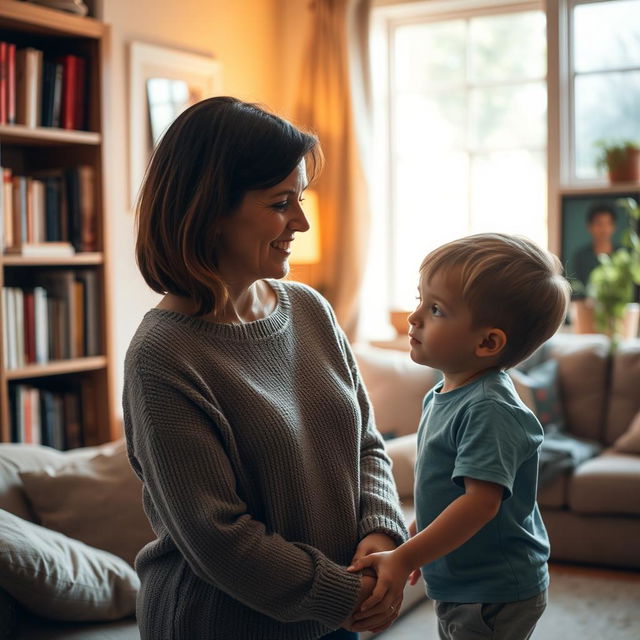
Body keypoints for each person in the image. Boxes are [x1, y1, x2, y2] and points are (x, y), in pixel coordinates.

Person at [122, 96, 408, 640]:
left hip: (331, 612)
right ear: (209, 211)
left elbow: (366, 443)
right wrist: (345, 594)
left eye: (299, 199)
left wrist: (381, 532)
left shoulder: (309, 309)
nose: (300, 221)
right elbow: (218, 536)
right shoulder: (161, 356)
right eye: (281, 203)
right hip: (224, 624)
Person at [348, 233, 571, 640]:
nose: (414, 317)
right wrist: (417, 539)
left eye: (435, 309)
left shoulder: (490, 409)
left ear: (488, 342)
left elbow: (479, 504)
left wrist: (404, 556)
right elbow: (444, 492)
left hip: (494, 590)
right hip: (466, 582)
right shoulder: (445, 393)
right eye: (419, 299)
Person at [569, 202, 619, 298]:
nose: (604, 229)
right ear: (590, 227)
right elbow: (576, 289)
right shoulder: (581, 257)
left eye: (608, 223)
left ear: (613, 227)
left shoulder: (622, 255)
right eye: (599, 224)